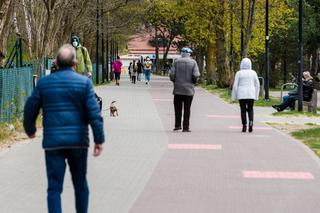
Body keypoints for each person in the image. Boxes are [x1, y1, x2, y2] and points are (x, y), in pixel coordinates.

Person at [23, 44, 105, 213]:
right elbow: (94, 113)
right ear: (75, 63)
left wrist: (30, 129)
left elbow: (30, 107)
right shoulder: (84, 83)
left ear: (56, 63)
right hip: (78, 142)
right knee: (81, 185)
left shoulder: (45, 83)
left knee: (54, 187)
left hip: (53, 143)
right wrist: (99, 139)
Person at [170, 47, 200, 132]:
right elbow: (196, 75)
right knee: (187, 109)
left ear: (182, 53)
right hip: (189, 90)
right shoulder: (193, 62)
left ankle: (177, 125)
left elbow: (172, 75)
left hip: (178, 89)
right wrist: (194, 82)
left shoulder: (176, 62)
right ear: (189, 54)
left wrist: (175, 81)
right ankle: (186, 127)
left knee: (177, 108)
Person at [232, 58, 260, 133]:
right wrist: (256, 95)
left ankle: (244, 126)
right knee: (250, 109)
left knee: (243, 110)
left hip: (241, 94)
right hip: (251, 93)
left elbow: (235, 85)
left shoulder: (239, 73)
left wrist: (234, 96)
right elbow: (257, 84)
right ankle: (251, 123)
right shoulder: (253, 72)